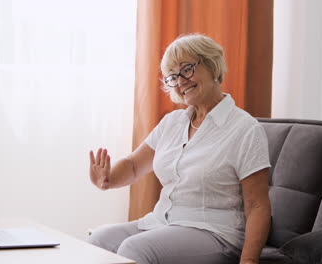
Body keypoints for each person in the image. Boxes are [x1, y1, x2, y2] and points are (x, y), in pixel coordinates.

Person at [87, 34, 271, 264]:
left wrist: (249, 261)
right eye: (173, 76)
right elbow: (134, 165)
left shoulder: (245, 129)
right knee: (99, 240)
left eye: (187, 69)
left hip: (215, 232)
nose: (181, 80)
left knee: (134, 249)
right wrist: (108, 179)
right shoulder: (172, 122)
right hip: (162, 222)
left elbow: (257, 205)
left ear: (212, 65)